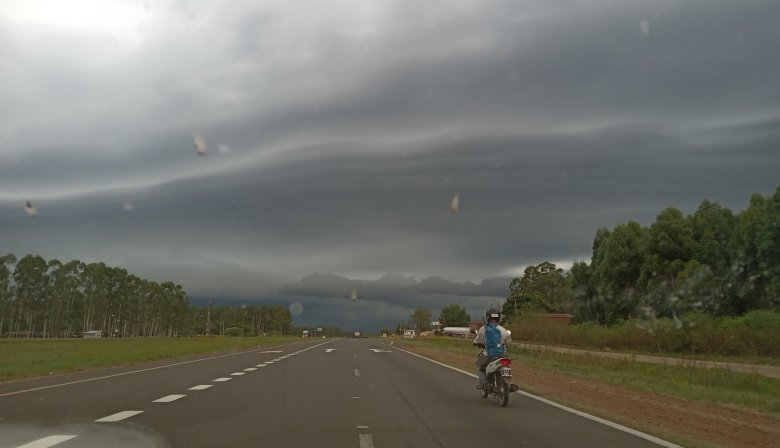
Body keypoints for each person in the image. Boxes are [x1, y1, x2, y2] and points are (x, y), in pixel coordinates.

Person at [473, 308, 512, 389]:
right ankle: (508, 383)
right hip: (502, 354)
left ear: (487, 317)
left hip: (488, 354)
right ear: (498, 317)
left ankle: (484, 381)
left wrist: (476, 343)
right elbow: (509, 342)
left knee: (479, 364)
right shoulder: (503, 329)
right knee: (507, 363)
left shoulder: (484, 328)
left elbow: (477, 340)